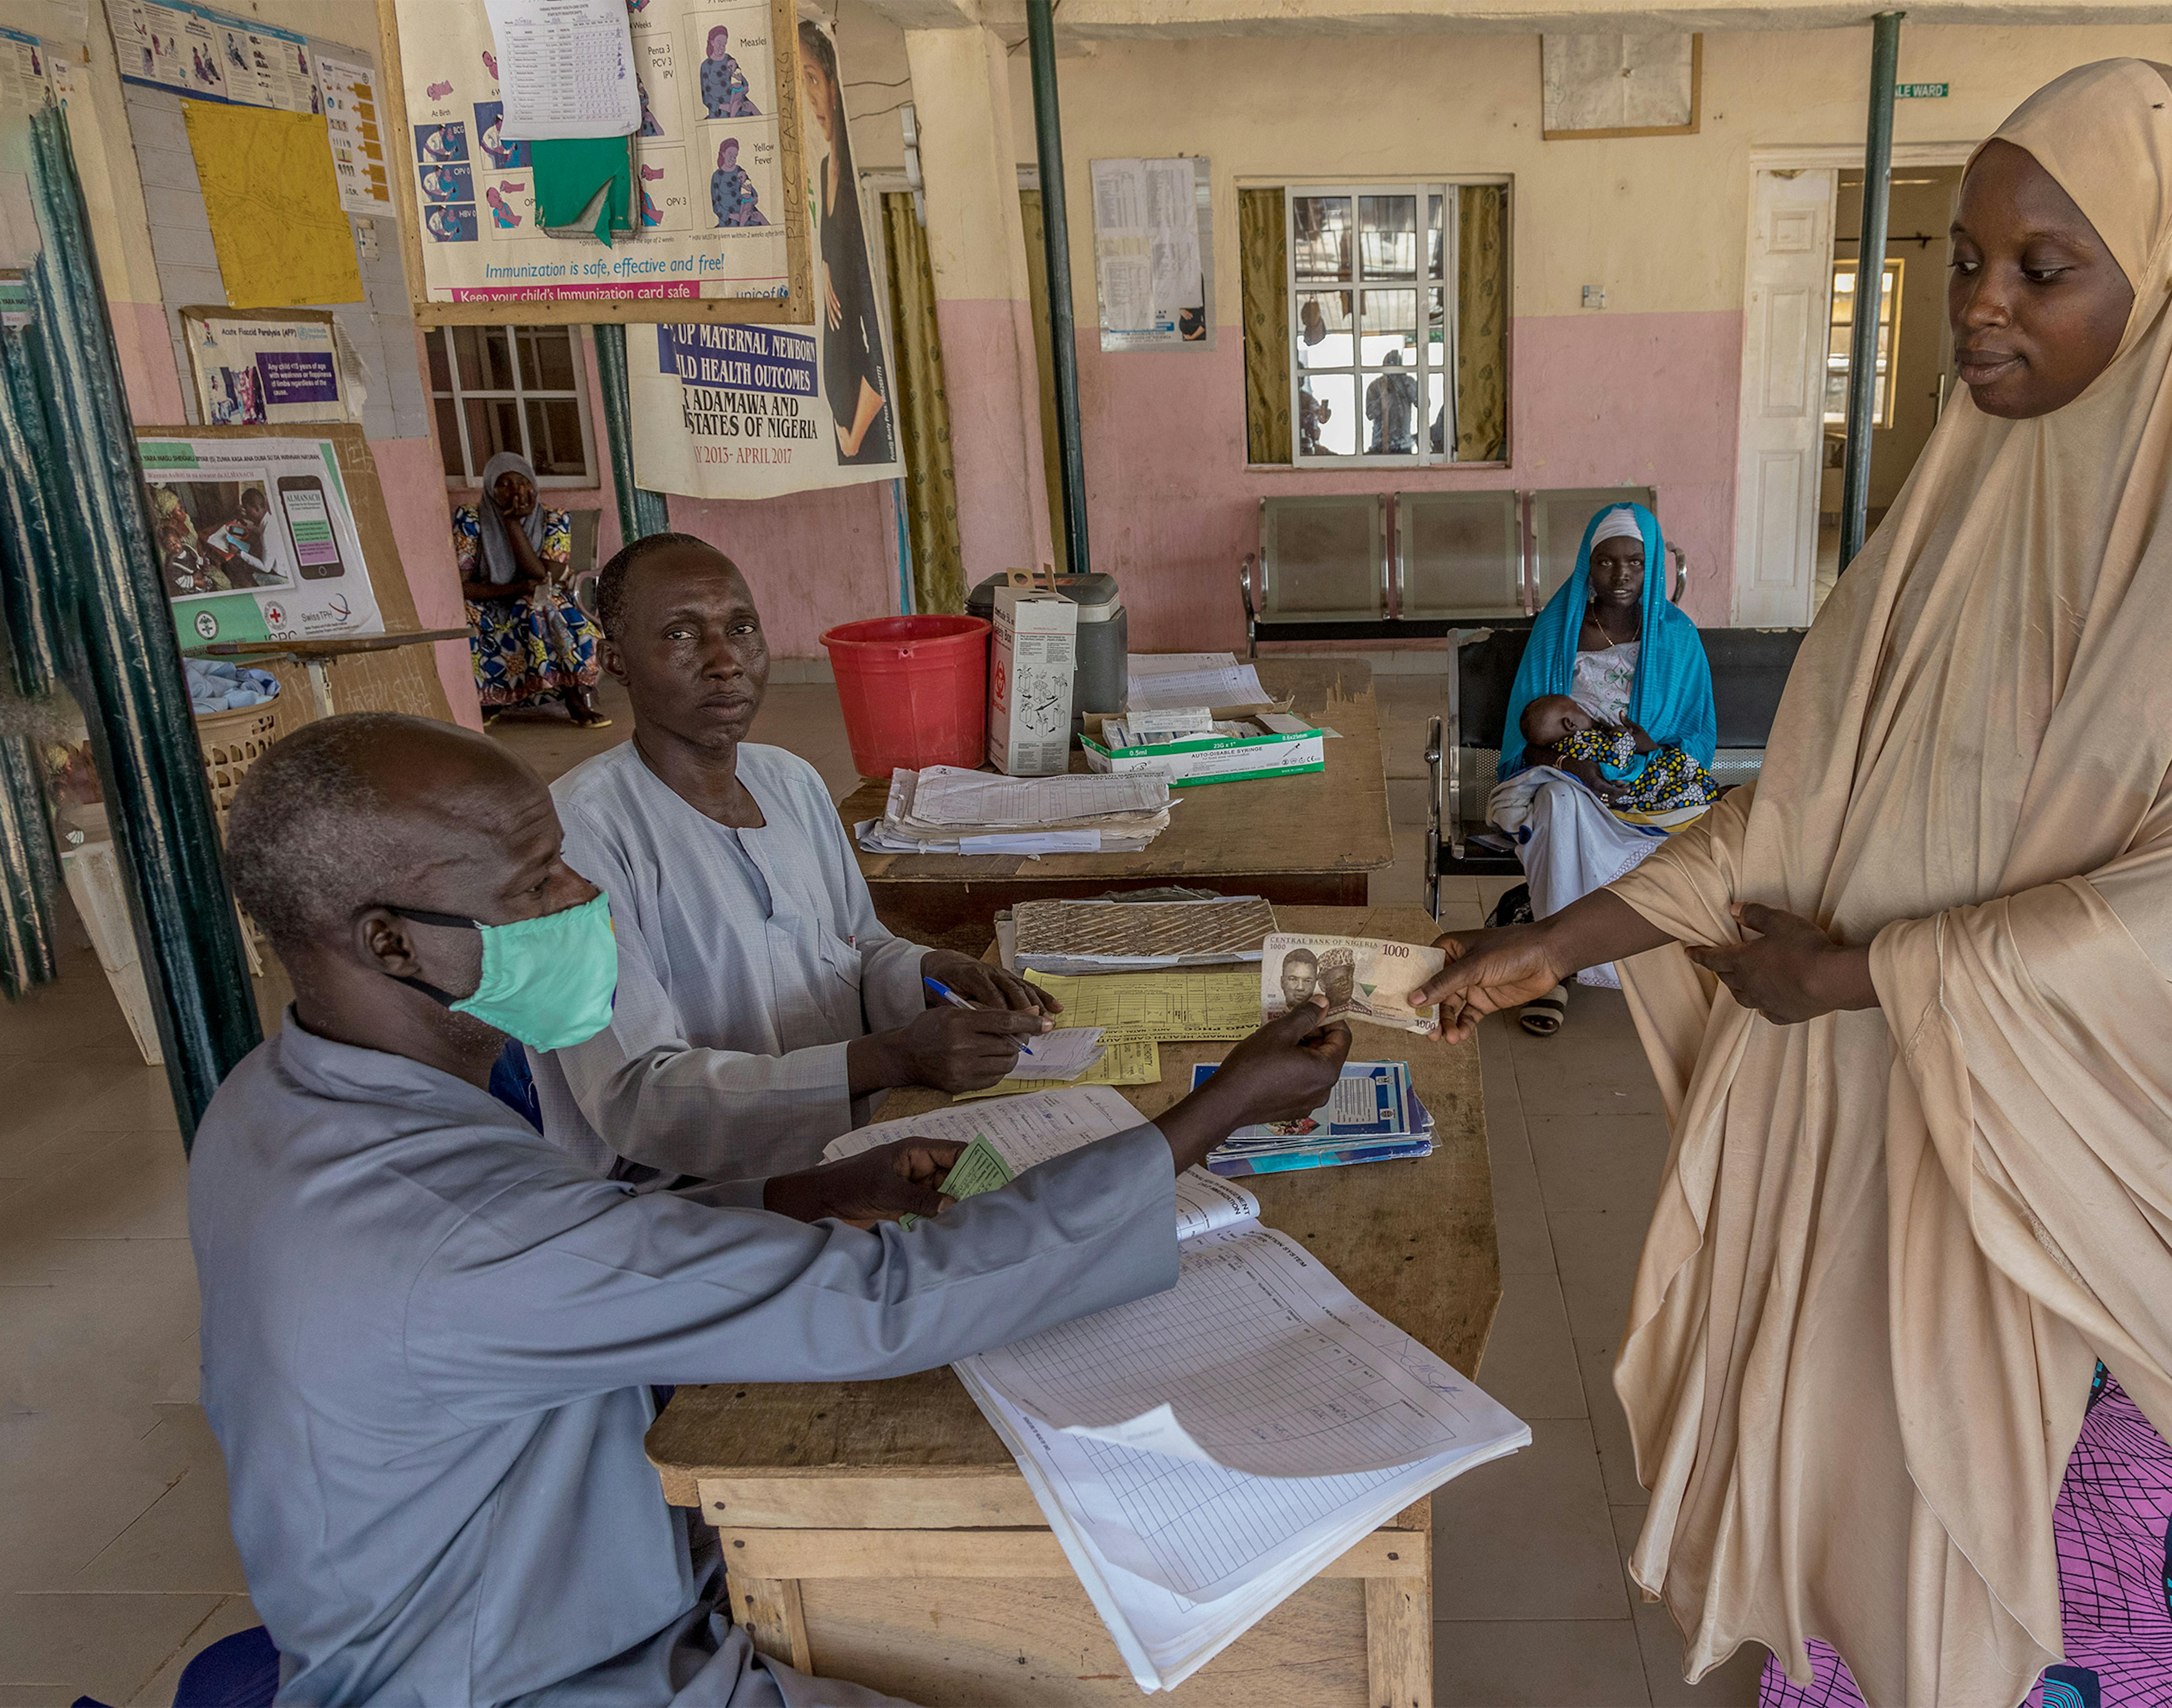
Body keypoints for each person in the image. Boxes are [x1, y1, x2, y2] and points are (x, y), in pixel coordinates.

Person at [1414, 61, 2172, 1708]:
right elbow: (1802, 824)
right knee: (1880, 1503)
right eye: (1956, 259)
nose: (1979, 306)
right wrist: (1546, 943)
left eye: (2042, 269)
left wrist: (1861, 978)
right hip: (1888, 1097)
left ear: (2170, 269)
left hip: (2125, 1120)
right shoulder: (1952, 506)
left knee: (2109, 1568)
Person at [198, 709, 1352, 1705]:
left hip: (462, 1594)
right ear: (390, 941)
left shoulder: (271, 1099)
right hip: (531, 1673)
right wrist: (1214, 1114)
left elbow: (579, 1248)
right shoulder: (449, 1233)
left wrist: (798, 1192)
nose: (583, 898)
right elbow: (883, 1306)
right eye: (536, 884)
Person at [530, 534, 1053, 1182]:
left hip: (852, 1150)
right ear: (617, 661)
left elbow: (854, 947)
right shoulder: (576, 836)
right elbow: (636, 1094)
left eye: (742, 627)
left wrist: (930, 969)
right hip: (695, 1205)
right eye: (682, 635)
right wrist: (886, 1059)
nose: (726, 661)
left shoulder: (792, 782)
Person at [1486, 501, 1715, 1035]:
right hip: (1573, 779)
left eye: (1635, 562)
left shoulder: (1677, 638)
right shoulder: (1558, 629)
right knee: (1558, 806)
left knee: (1685, 826)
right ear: (1588, 565)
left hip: (1653, 788)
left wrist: (1644, 756)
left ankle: (1619, 948)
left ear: (1655, 564)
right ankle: (1552, 967)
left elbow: (1698, 735)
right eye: (1607, 562)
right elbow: (1530, 736)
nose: (1621, 575)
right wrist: (1577, 770)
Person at [454, 450, 610, 728]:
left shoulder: (555, 518)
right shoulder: (471, 518)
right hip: (489, 596)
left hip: (537, 595)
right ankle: (491, 699)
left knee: (541, 608)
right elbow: (463, 586)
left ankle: (573, 699)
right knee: (468, 615)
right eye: (504, 484)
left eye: (522, 482)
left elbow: (540, 577)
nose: (516, 491)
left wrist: (512, 524)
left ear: (534, 486)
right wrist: (512, 588)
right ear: (490, 488)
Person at [797, 20, 892, 464]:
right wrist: (827, 264)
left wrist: (851, 435)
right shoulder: (821, 171)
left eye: (814, 78)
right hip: (840, 412)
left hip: (859, 425)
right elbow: (830, 247)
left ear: (834, 83)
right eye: (802, 83)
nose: (810, 97)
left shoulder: (856, 190)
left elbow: (879, 342)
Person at [1517, 694, 1727, 817]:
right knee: (1679, 792)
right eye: (1579, 709)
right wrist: (1622, 735)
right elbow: (1616, 759)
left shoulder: (1582, 740)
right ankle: (1709, 794)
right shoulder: (1578, 744)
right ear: (1570, 724)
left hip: (1645, 770)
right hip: (1637, 788)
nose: (1586, 712)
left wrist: (1652, 747)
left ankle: (1709, 788)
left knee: (1678, 761)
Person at [700, 25, 760, 117]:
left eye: (724, 44)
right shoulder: (706, 66)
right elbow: (706, 98)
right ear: (712, 43)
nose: (722, 47)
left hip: (739, 103)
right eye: (719, 43)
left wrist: (745, 88)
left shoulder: (729, 59)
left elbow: (742, 79)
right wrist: (722, 106)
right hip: (720, 111)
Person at [1365, 351, 1417, 454]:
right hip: (1380, 446)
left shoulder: (1407, 383)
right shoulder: (1376, 386)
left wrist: (1406, 385)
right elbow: (1370, 414)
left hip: (1403, 446)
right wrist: (1384, 397)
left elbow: (1423, 404)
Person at [709, 137, 767, 228]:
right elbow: (716, 207)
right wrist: (733, 216)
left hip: (745, 210)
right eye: (730, 155)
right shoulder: (717, 176)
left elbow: (752, 192)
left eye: (735, 156)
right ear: (723, 154)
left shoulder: (739, 170)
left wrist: (750, 189)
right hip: (729, 218)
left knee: (760, 218)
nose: (732, 159)